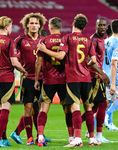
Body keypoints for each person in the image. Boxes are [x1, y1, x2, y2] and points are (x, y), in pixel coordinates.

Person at [37, 14, 101, 147]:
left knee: (72, 107)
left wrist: (44, 50)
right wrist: (84, 66)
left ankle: (75, 138)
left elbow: (60, 56)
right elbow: (94, 60)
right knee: (87, 107)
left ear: (73, 24)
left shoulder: (67, 38)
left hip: (69, 78)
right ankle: (91, 138)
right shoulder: (88, 40)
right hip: (84, 78)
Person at [0, 16, 28, 147]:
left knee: (1, 109)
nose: (11, 29)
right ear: (7, 27)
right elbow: (15, 63)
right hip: (7, 78)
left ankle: (3, 138)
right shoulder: (9, 41)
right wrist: (24, 71)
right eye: (11, 27)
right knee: (6, 109)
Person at [10, 13, 47, 146]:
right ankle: (29, 137)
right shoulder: (19, 40)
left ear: (40, 25)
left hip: (44, 79)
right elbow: (13, 57)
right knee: (28, 108)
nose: (34, 25)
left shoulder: (44, 40)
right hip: (27, 79)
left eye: (36, 23)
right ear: (27, 25)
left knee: (39, 109)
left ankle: (39, 135)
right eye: (31, 23)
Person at [35, 17, 73, 146]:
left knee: (44, 109)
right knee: (67, 109)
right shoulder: (66, 39)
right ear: (60, 27)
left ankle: (40, 137)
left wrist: (36, 79)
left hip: (48, 80)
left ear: (50, 27)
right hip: (64, 80)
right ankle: (71, 137)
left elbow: (38, 62)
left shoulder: (43, 41)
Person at [82, 18, 113, 143]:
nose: (102, 27)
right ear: (95, 26)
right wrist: (102, 74)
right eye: (100, 25)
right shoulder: (93, 40)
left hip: (98, 77)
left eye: (104, 25)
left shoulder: (101, 40)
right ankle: (97, 135)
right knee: (98, 105)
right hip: (93, 78)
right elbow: (90, 60)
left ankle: (78, 123)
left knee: (98, 106)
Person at [103, 20, 118, 131]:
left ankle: (92, 134)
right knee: (106, 106)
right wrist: (114, 82)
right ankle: (107, 115)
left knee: (104, 103)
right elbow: (114, 63)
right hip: (114, 76)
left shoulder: (105, 41)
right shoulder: (116, 42)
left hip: (105, 74)